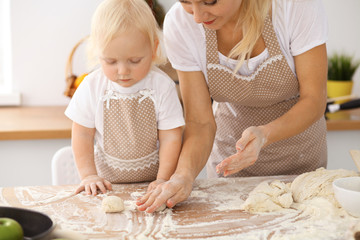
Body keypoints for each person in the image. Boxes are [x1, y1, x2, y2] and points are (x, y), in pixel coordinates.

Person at [136, 0, 328, 213]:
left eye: (209, 1)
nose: (197, 17)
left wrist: (264, 134)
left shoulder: (294, 7)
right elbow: (199, 122)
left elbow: (314, 100)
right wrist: (183, 175)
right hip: (230, 161)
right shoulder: (181, 24)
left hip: (299, 161)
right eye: (186, 2)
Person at [65, 0, 184, 196]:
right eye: (110, 61)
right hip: (107, 186)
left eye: (135, 61)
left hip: (153, 185)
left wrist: (163, 178)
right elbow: (82, 134)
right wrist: (88, 176)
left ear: (153, 49)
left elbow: (170, 136)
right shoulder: (92, 85)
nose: (123, 71)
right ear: (98, 52)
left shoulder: (162, 86)